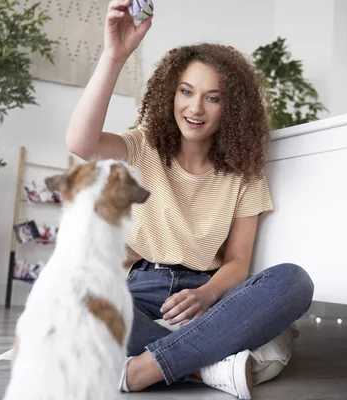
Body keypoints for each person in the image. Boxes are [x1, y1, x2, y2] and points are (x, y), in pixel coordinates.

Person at [65, 1, 315, 398]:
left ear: (230, 109)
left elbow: (237, 262)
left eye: (213, 98)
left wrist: (207, 294)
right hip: (143, 290)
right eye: (186, 92)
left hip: (210, 295)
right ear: (171, 94)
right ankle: (205, 368)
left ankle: (145, 368)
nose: (195, 108)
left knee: (294, 282)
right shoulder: (145, 143)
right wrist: (115, 54)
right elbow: (81, 142)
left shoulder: (244, 171)